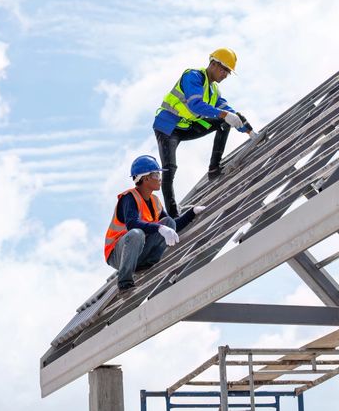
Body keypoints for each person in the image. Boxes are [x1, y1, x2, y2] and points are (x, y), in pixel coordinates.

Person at [153, 48, 252, 217]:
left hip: (187, 126)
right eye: (224, 70)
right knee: (169, 168)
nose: (225, 75)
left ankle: (214, 168)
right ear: (213, 64)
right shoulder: (193, 76)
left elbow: (227, 111)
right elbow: (195, 105)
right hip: (168, 126)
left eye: (228, 72)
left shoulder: (214, 90)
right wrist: (224, 115)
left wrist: (246, 128)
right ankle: (173, 215)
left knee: (224, 122)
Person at [104, 155, 204, 292]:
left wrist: (192, 213)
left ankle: (146, 264)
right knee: (136, 233)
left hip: (139, 253)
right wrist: (160, 228)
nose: (160, 178)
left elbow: (172, 226)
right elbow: (133, 224)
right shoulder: (129, 198)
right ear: (145, 178)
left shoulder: (155, 201)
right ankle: (124, 282)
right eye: (156, 175)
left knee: (168, 222)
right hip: (117, 253)